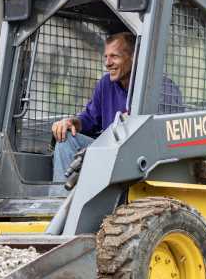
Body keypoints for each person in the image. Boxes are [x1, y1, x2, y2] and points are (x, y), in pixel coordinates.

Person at [51, 31, 180, 182]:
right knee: (65, 138)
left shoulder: (163, 88)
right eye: (106, 56)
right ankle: (62, 201)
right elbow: (89, 119)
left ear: (134, 57)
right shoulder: (106, 84)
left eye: (114, 56)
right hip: (108, 154)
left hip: (143, 161)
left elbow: (169, 137)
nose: (108, 63)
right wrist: (72, 122)